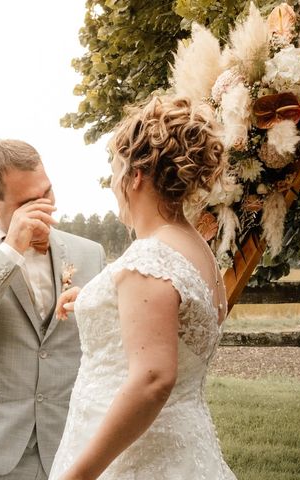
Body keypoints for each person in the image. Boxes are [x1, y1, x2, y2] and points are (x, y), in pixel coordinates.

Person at [49, 96, 237, 479]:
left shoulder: (150, 258)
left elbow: (153, 379)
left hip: (135, 459)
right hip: (183, 448)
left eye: (117, 169)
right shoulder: (197, 250)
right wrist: (94, 299)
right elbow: (170, 325)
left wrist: (78, 475)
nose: (114, 183)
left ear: (135, 176)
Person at [0, 139, 107, 479]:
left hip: (71, 446)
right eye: (28, 203)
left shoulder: (90, 254)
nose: (44, 208)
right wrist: (10, 250)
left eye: (47, 193)